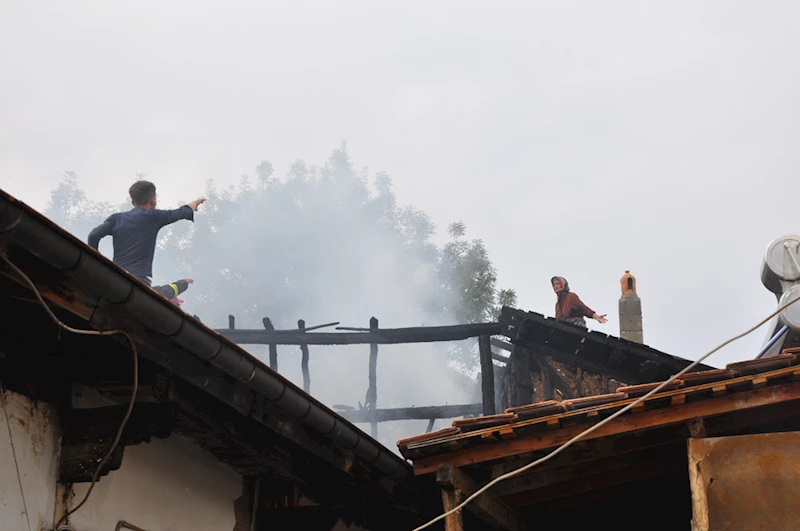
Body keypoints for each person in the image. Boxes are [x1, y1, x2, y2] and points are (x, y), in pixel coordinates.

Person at [87, 180, 205, 287]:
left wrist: (98, 262)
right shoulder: (154, 217)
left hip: (116, 277)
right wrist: (195, 203)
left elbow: (93, 236)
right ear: (153, 200)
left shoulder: (116, 219)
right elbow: (181, 212)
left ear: (133, 202)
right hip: (140, 281)